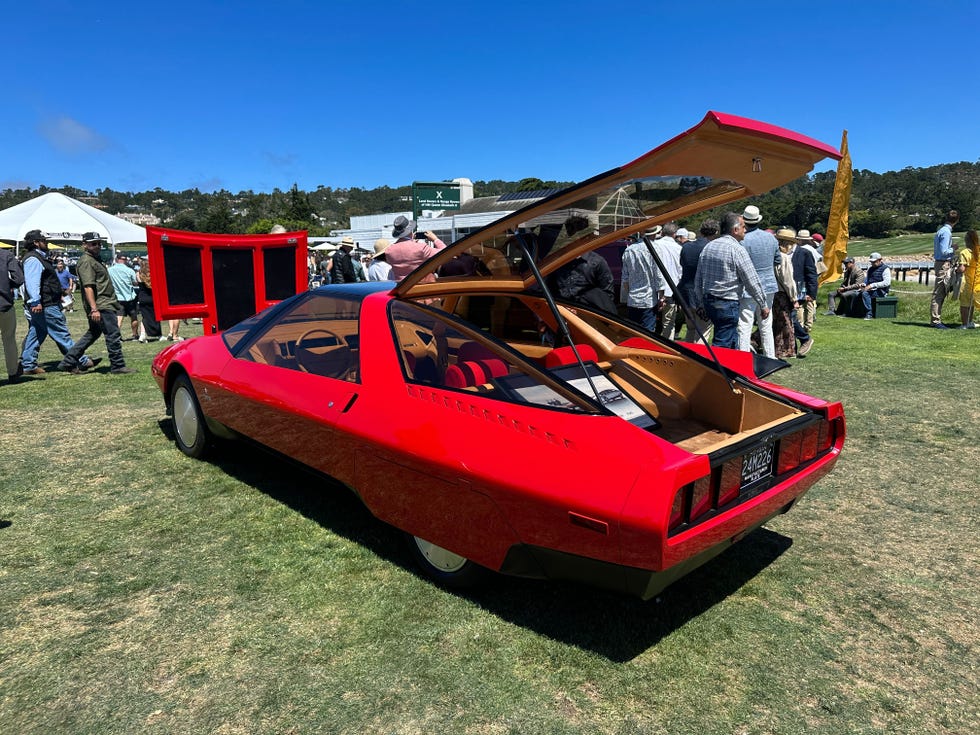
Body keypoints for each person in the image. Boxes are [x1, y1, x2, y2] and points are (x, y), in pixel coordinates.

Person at [19, 230, 98, 375]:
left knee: (37, 333)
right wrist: (36, 301)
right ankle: (82, 360)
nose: (46, 242)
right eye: (43, 240)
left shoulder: (37, 258)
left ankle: (28, 364)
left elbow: (43, 282)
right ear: (36, 242)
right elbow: (32, 282)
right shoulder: (33, 259)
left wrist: (58, 294)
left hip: (46, 302)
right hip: (45, 304)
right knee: (61, 333)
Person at [57, 232, 135, 374]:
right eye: (93, 243)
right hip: (101, 304)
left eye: (99, 243)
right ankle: (117, 365)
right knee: (113, 334)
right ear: (85, 245)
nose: (98, 246)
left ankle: (68, 361)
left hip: (103, 303)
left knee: (93, 333)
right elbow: (88, 286)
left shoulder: (95, 259)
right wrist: (94, 309)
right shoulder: (87, 261)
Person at [694, 212, 770, 349]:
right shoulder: (737, 250)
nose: (745, 230)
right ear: (735, 230)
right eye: (743, 227)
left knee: (731, 338)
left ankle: (734, 367)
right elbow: (751, 280)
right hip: (727, 302)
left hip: (710, 300)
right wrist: (763, 303)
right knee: (722, 343)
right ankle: (715, 369)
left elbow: (699, 278)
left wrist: (700, 302)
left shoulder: (709, 247)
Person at [737, 205, 779, 358]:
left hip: (748, 287)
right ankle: (770, 356)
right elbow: (777, 260)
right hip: (768, 285)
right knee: (766, 323)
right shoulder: (771, 238)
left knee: (745, 323)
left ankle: (743, 357)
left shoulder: (742, 240)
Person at [771, 228, 813, 358]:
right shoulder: (783, 257)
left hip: (781, 293)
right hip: (783, 293)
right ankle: (785, 347)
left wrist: (794, 298)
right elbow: (788, 280)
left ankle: (802, 340)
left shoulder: (778, 257)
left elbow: (787, 280)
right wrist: (794, 297)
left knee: (786, 320)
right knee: (783, 321)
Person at [677, 218, 717, 343]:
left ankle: (687, 357)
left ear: (700, 231)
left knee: (690, 328)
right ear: (715, 232)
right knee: (703, 331)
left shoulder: (686, 247)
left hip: (685, 293)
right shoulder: (712, 248)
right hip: (701, 296)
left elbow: (682, 264)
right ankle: (698, 360)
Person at [620, 229, 664, 332]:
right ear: (654, 233)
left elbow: (625, 277)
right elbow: (658, 275)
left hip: (633, 299)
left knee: (634, 332)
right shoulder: (655, 248)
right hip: (648, 299)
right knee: (648, 333)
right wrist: (661, 297)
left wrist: (629, 294)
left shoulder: (629, 250)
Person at [385, 216, 447, 282]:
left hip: (401, 288)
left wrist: (412, 242)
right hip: (420, 286)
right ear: (410, 230)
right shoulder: (421, 248)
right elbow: (445, 252)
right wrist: (435, 239)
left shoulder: (389, 251)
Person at [651, 223, 683, 338]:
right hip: (671, 289)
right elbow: (681, 272)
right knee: (669, 323)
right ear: (675, 234)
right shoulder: (679, 249)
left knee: (651, 322)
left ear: (663, 232)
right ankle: (668, 348)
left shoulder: (655, 245)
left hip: (654, 289)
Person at [931, 210, 959, 328]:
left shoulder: (941, 230)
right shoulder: (946, 232)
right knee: (939, 293)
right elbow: (944, 251)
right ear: (957, 220)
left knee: (940, 292)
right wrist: (953, 248)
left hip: (940, 263)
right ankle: (935, 321)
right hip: (943, 264)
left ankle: (936, 319)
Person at [1, 244, 25, 382]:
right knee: (8, 339)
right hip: (4, 303)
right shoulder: (6, 255)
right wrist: (6, 284)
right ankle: (13, 372)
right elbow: (19, 279)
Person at [790, 230, 819, 334]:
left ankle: (801, 326)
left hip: (801, 282)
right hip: (804, 281)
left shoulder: (804, 251)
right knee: (808, 305)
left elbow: (811, 272)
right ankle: (807, 325)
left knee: (801, 306)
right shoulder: (812, 249)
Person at [108, 253, 140, 340]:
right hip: (130, 297)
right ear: (125, 260)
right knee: (134, 317)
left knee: (119, 318)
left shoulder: (110, 270)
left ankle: (117, 336)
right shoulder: (130, 270)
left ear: (116, 259)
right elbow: (135, 283)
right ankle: (135, 335)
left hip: (118, 297)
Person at [955, 230, 979, 329]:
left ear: (966, 240)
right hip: (977, 281)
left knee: (964, 305)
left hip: (967, 282)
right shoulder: (978, 251)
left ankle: (964, 324)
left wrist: (955, 270)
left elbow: (962, 269)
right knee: (971, 304)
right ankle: (970, 322)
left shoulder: (965, 252)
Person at [135, 257, 162, 342]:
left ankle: (142, 335)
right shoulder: (153, 274)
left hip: (142, 298)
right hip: (153, 298)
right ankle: (159, 335)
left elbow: (138, 283)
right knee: (156, 316)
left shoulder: (138, 274)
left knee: (145, 317)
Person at [859, 252, 892, 320]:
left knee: (865, 293)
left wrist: (872, 285)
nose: (872, 263)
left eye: (874, 262)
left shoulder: (886, 269)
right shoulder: (870, 269)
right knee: (857, 293)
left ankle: (869, 314)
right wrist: (864, 284)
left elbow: (886, 283)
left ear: (880, 260)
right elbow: (867, 279)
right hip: (872, 289)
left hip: (881, 291)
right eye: (871, 262)